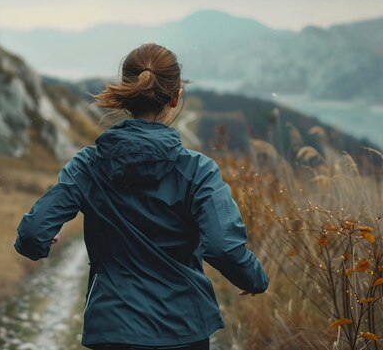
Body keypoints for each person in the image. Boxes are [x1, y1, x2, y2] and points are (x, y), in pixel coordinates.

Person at [14, 43, 269, 350]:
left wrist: (39, 242)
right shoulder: (199, 170)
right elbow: (222, 247)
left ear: (127, 94)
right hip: (183, 329)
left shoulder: (87, 164)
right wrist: (253, 279)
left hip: (113, 329)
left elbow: (32, 232)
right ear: (175, 98)